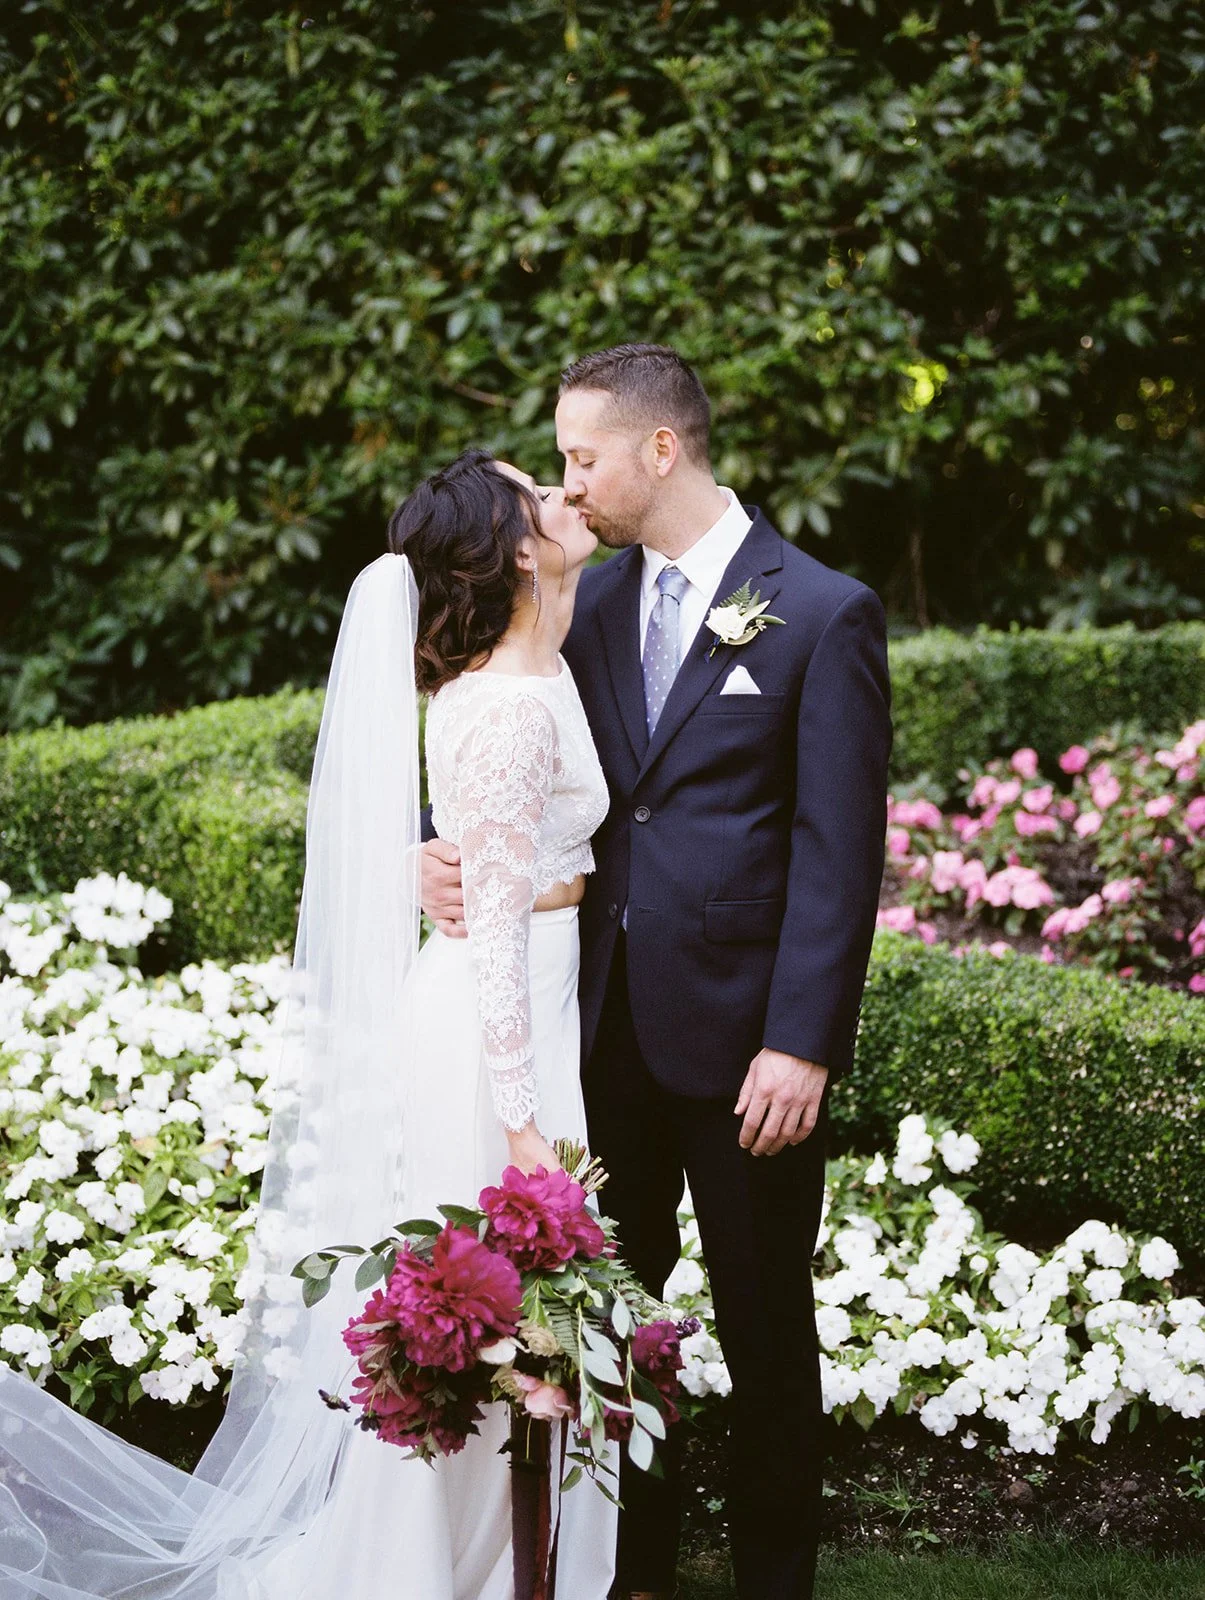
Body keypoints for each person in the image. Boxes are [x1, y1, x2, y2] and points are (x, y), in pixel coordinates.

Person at [0, 450, 616, 1598]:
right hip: (494, 1026)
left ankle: (497, 1555)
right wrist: (523, 1121)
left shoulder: (530, 663)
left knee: (502, 1306)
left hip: (524, 992)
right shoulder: (507, 704)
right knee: (487, 1301)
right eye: (539, 492)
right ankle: (430, 1567)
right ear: (515, 550)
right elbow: (485, 920)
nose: (563, 496)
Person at [422, 344, 893, 1600]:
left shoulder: (823, 610)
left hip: (747, 1054)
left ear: (660, 449)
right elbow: (513, 765)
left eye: (582, 458)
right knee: (609, 1329)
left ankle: (773, 1581)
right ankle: (627, 1571)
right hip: (599, 1037)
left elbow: (838, 852)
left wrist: (800, 1040)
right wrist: (443, 864)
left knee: (761, 1323)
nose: (569, 488)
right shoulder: (587, 604)